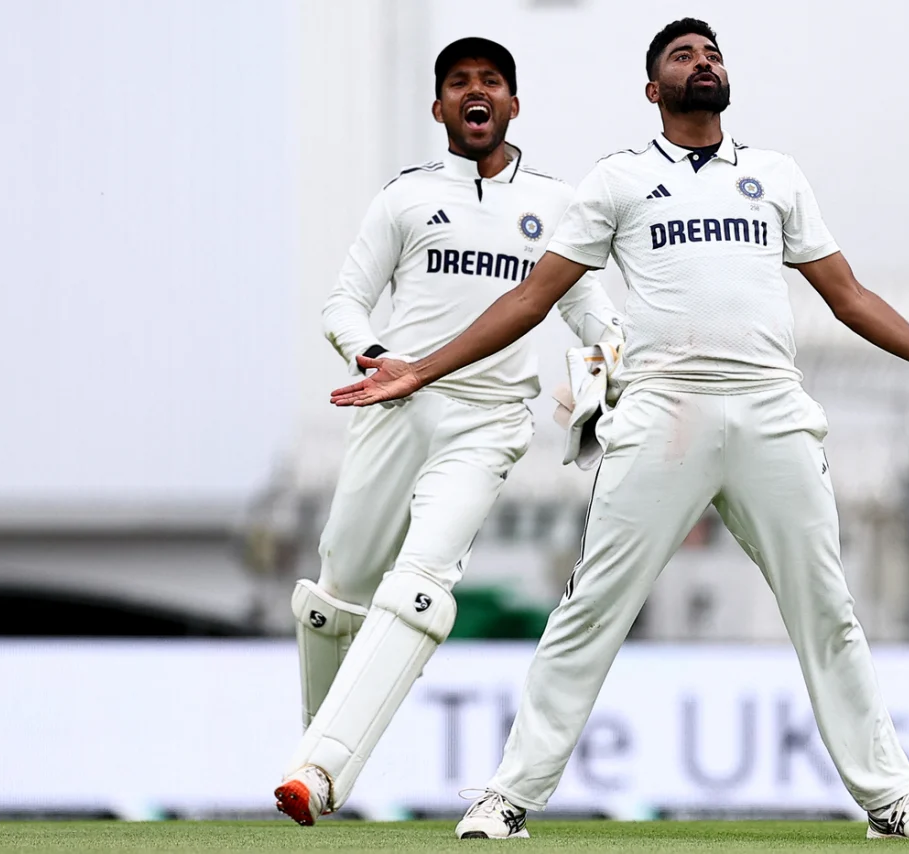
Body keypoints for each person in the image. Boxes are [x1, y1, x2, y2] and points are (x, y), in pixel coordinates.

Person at [331, 18, 909, 840]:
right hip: (664, 408)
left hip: (771, 406)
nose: (703, 63)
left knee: (827, 609)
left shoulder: (774, 176)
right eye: (683, 56)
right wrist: (421, 368)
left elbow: (848, 297)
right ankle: (508, 796)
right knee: (592, 605)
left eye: (712, 54)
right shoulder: (620, 180)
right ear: (654, 89)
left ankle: (893, 797)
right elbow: (532, 300)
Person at [274, 36, 624, 826]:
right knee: (337, 598)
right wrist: (373, 356)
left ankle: (320, 774)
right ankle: (320, 762)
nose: (477, 91)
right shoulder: (404, 198)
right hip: (395, 405)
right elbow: (343, 303)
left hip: (488, 415)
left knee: (423, 583)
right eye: (460, 82)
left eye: (491, 81)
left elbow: (591, 313)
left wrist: (602, 375)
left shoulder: (558, 205)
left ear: (512, 103)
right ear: (439, 107)